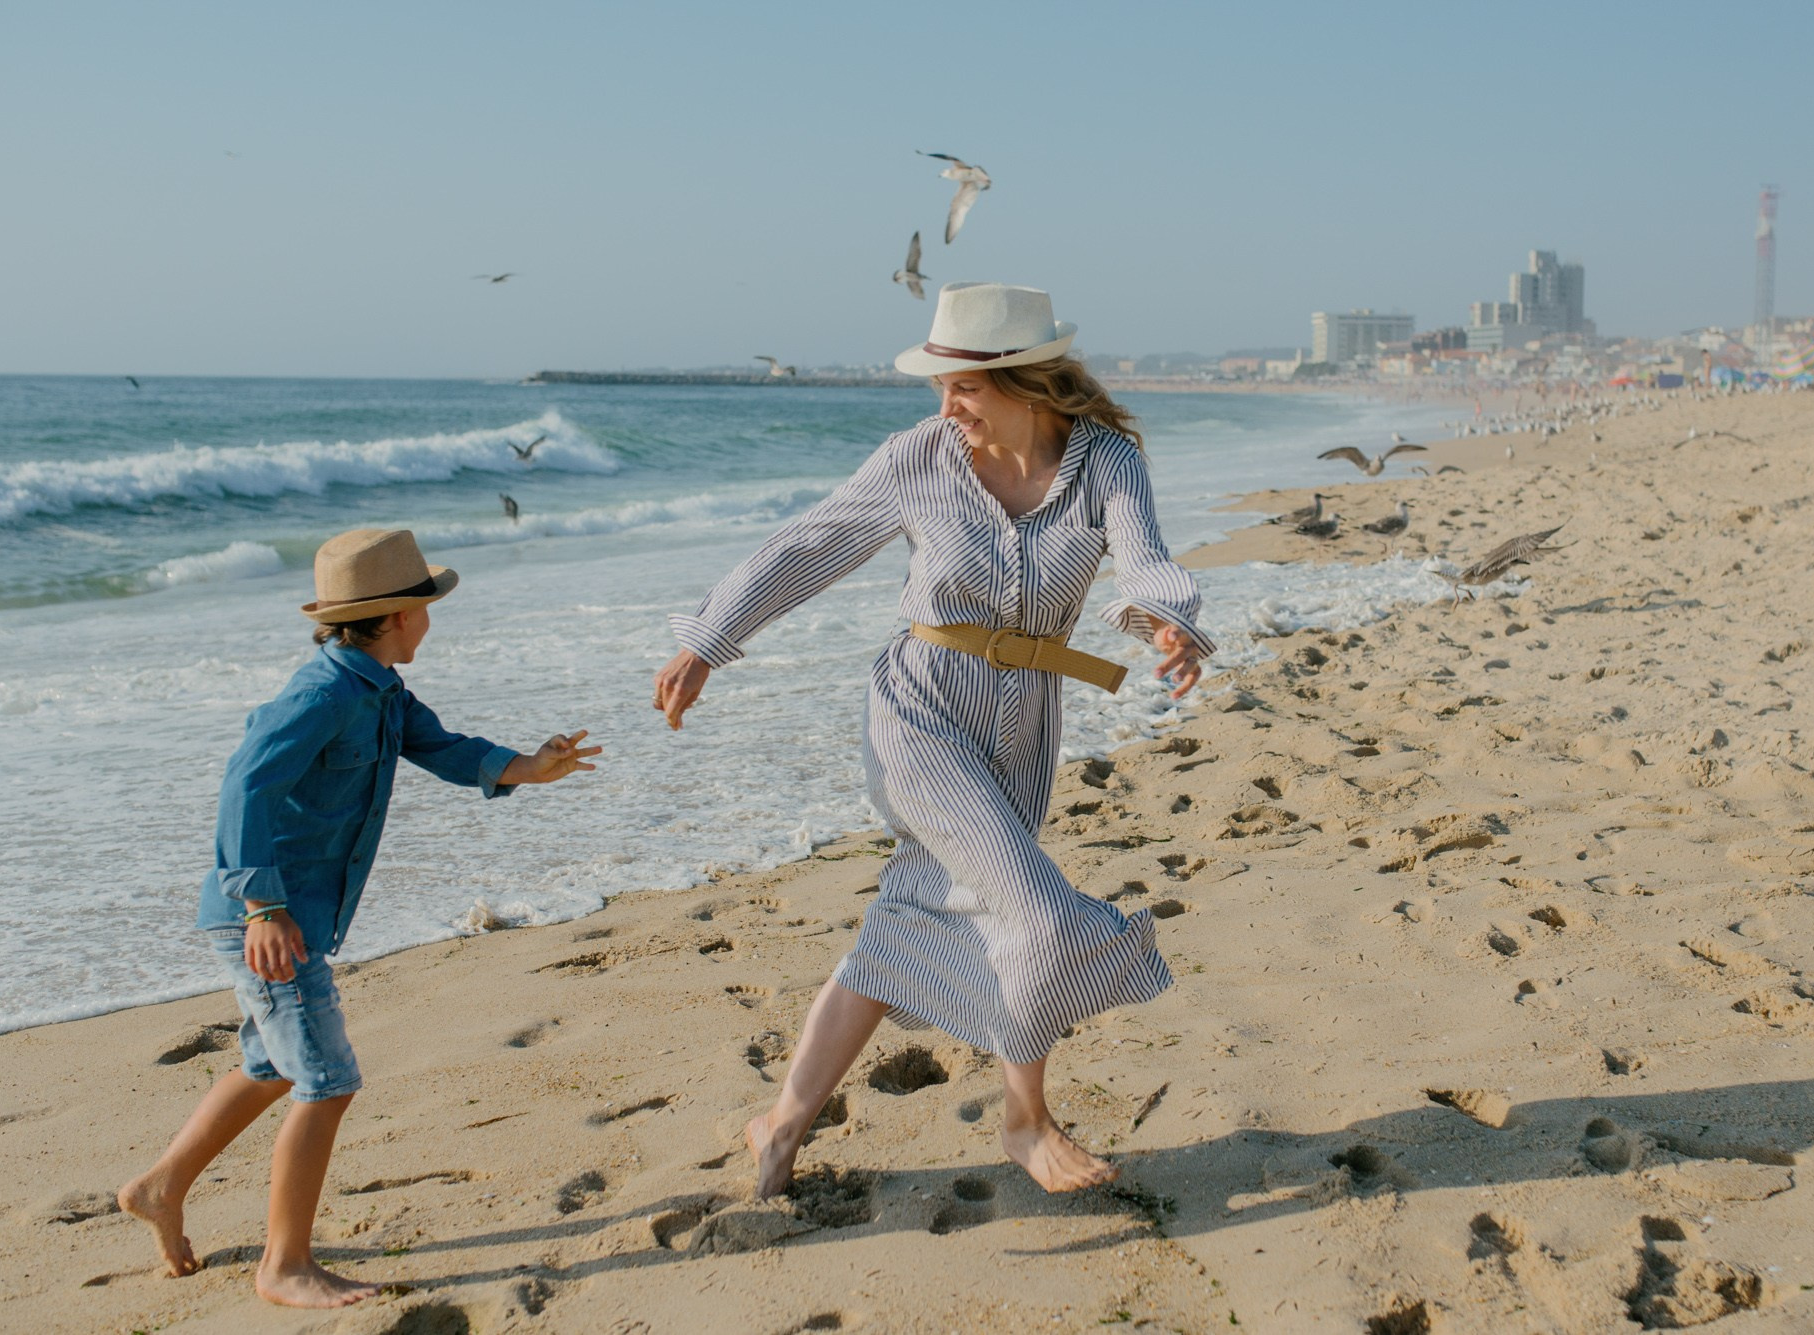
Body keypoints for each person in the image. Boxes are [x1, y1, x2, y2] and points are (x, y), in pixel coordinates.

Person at [653, 283, 1212, 1198]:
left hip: (1024, 726)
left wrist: (1166, 621)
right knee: (1035, 908)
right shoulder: (918, 458)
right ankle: (1026, 1120)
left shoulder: (1108, 463)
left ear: (1030, 384)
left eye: (963, 390)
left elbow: (1145, 556)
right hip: (920, 714)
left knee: (907, 919)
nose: (945, 407)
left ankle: (780, 1123)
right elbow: (807, 545)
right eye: (942, 388)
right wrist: (707, 640)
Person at [117, 528, 601, 1308]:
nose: (432, 620)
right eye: (426, 606)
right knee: (328, 1077)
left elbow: (442, 747)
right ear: (401, 616)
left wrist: (527, 766)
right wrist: (264, 905)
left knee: (274, 1065)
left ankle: (161, 1186)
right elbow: (245, 786)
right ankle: (284, 1264)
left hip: (288, 913)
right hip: (268, 917)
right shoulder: (322, 694)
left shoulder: (378, 689)